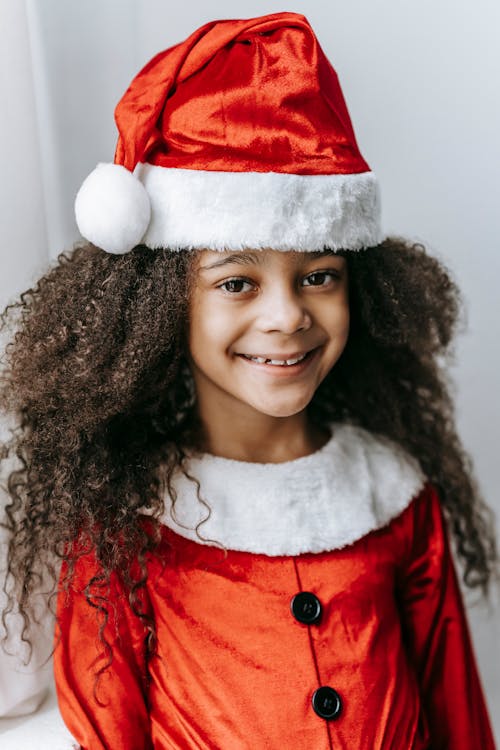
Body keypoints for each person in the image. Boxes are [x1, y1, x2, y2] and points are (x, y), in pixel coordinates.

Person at [0, 10, 497, 750]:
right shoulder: (125, 517)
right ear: (162, 305)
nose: (287, 316)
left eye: (319, 276)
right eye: (237, 283)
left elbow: (459, 719)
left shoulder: (394, 490)